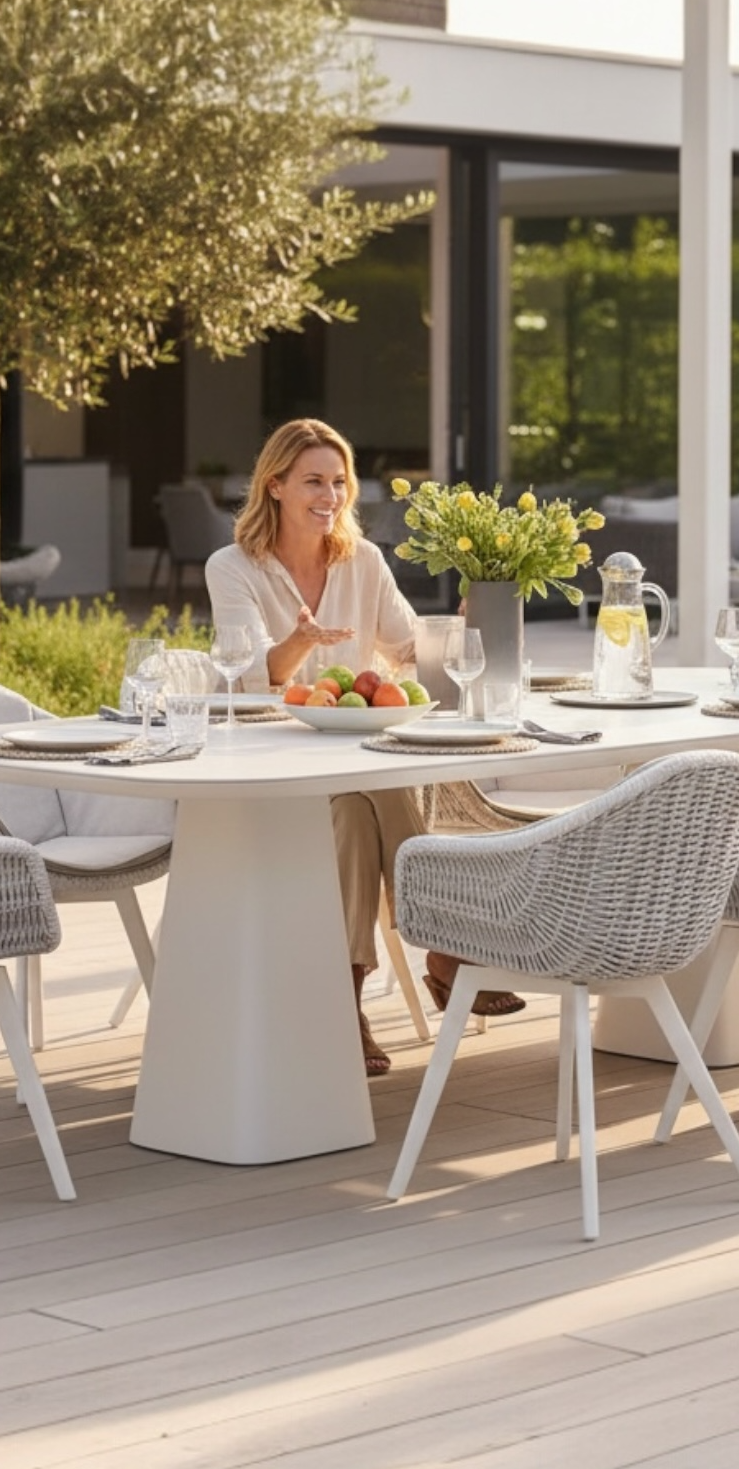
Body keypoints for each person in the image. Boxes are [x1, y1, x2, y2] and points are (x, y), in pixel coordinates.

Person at [206, 420, 515, 1078]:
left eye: (339, 482)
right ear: (275, 485)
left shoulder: (364, 560)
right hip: (275, 770)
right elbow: (246, 674)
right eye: (314, 482)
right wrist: (300, 641)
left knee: (356, 805)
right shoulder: (231, 568)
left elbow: (406, 650)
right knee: (365, 794)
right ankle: (443, 948)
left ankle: (343, 997)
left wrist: (466, 622)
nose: (331, 496)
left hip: (356, 769)